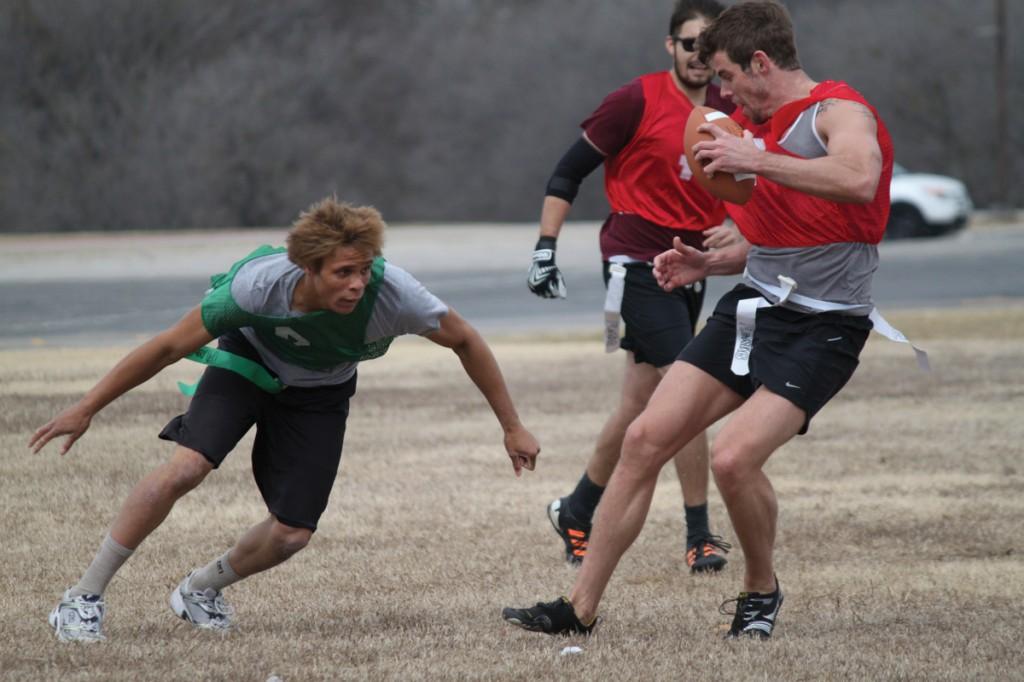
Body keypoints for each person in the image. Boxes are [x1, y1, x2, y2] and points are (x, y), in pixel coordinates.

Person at [504, 0, 896, 639]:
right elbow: (788, 233)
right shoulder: (747, 121)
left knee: (734, 459)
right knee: (643, 439)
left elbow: (857, 180)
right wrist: (707, 266)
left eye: (729, 75)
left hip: (826, 323)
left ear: (760, 62)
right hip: (755, 305)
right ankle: (578, 609)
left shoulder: (838, 111)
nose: (724, 91)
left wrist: (756, 158)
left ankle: (760, 589)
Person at [33, 197, 540, 642]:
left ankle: (200, 590)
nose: (357, 283)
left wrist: (511, 425)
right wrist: (87, 407)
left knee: (292, 535)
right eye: (343, 272)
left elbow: (465, 340)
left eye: (364, 269)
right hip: (247, 364)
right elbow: (168, 346)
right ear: (307, 269)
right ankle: (82, 598)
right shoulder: (258, 288)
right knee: (186, 468)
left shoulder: (394, 294)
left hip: (320, 391)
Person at [526, 0, 738, 573]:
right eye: (689, 43)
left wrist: (738, 224)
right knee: (687, 388)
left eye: (709, 45)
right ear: (670, 45)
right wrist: (545, 248)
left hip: (692, 267)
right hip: (635, 264)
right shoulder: (636, 100)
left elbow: (756, 181)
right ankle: (700, 535)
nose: (699, 55)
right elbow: (566, 173)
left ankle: (576, 509)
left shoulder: (731, 105)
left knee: (637, 405)